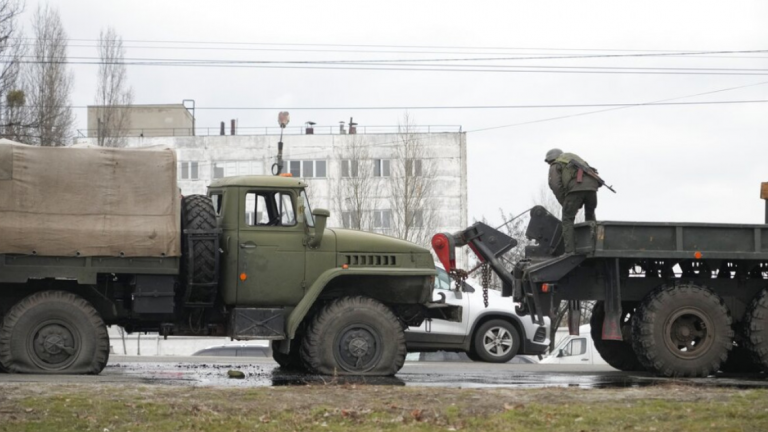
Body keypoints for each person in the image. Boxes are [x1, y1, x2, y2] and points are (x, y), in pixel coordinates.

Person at [545, 148, 600, 254]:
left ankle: (570, 252)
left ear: (551, 159)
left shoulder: (556, 164)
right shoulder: (575, 159)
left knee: (567, 219)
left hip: (576, 189)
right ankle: (594, 247)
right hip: (592, 188)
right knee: (590, 216)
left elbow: (555, 185)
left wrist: (564, 201)